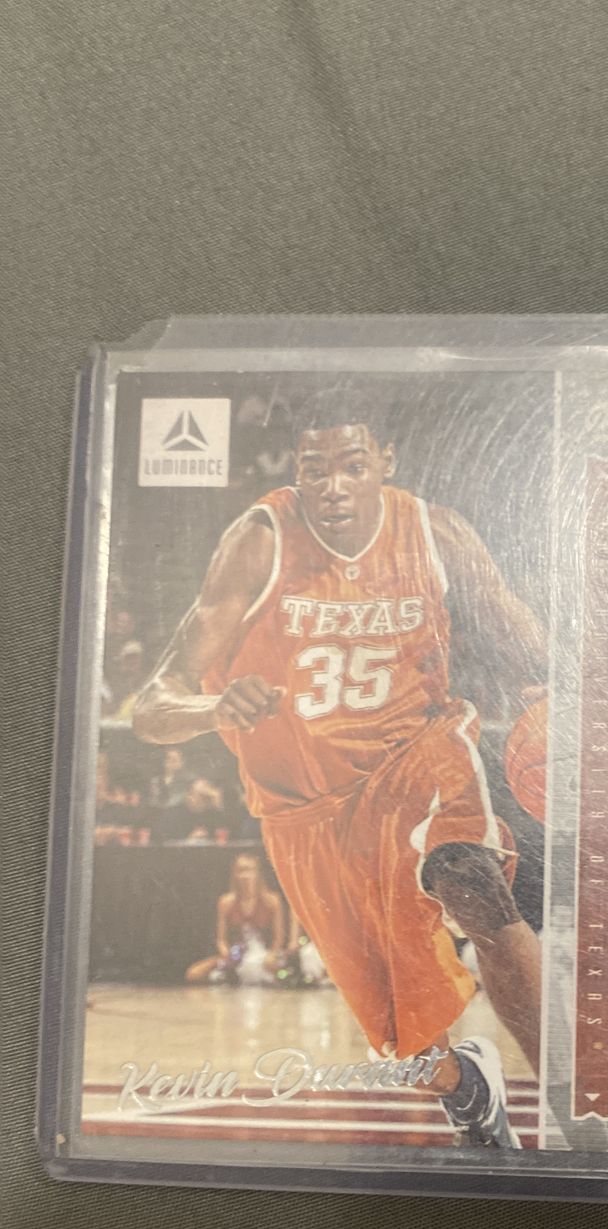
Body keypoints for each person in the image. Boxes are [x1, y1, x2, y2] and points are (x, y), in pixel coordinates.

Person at [134, 416, 546, 1148]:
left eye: (352, 466)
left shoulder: (435, 534)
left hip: (415, 756)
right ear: (296, 472)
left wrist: (562, 703)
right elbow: (150, 707)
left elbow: (526, 645)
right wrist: (212, 707)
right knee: (411, 1057)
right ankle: (467, 1086)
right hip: (306, 810)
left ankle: (571, 1104)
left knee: (475, 885)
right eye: (314, 469)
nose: (333, 486)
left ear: (385, 459)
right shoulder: (259, 541)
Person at [185, 852, 285, 985]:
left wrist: (271, 955)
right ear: (235, 874)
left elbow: (279, 938)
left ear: (257, 873)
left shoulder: (272, 900)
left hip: (265, 956)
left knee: (273, 969)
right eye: (240, 871)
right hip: (236, 956)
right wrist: (228, 955)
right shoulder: (225, 902)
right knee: (193, 974)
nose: (245, 875)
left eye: (249, 870)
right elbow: (221, 939)